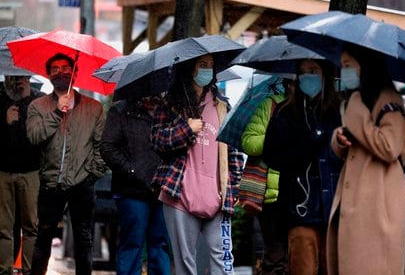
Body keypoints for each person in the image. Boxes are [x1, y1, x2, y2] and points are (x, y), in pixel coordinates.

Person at [151, 54, 244, 274]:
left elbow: (234, 149)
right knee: (185, 262)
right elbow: (157, 140)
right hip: (179, 194)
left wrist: (235, 184)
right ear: (189, 69)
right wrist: (186, 129)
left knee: (222, 259)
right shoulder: (170, 102)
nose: (207, 71)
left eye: (211, 66)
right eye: (202, 65)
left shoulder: (222, 106)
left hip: (217, 196)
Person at [327, 46, 405, 275]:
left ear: (366, 65)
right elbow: (358, 144)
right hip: (356, 204)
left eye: (348, 65)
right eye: (342, 66)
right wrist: (340, 139)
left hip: (378, 207)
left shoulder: (387, 100)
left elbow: (389, 147)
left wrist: (356, 113)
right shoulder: (359, 98)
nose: (344, 72)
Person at [26, 53, 107, 275]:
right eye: (55, 69)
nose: (61, 72)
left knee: (84, 241)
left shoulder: (94, 108)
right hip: (50, 182)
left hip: (82, 183)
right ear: (48, 75)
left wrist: (92, 173)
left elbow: (101, 146)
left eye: (65, 68)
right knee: (42, 239)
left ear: (75, 72)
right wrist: (55, 112)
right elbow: (34, 137)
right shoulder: (37, 106)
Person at [263, 58, 342, 275]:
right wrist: (306, 143)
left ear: (325, 75)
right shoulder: (285, 113)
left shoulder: (340, 112)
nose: (308, 76)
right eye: (303, 71)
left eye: (313, 70)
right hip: (300, 209)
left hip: (335, 208)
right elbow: (272, 157)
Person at [100, 94, 171, 275]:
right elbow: (107, 147)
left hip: (163, 188)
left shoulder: (169, 110)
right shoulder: (121, 110)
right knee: (132, 242)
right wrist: (132, 170)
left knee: (160, 244)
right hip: (131, 190)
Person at [239, 75, 290, 274]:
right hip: (272, 197)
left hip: (304, 196)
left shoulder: (317, 109)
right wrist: (273, 135)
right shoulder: (270, 106)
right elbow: (249, 142)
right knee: (275, 255)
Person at [0, 75, 45, 275]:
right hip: (3, 171)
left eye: (21, 76)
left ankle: (29, 271)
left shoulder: (39, 99)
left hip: (31, 172)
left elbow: (40, 135)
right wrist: (5, 122)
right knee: (3, 229)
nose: (17, 80)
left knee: (31, 227)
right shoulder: (0, 98)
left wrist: (26, 101)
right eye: (13, 76)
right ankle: (4, 270)